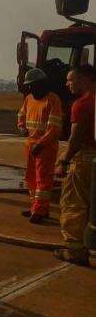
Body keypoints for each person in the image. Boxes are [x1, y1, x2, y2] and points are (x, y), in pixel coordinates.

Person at [54, 65, 96, 265]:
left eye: (71, 80)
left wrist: (64, 160)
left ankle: (75, 251)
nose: (67, 84)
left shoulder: (82, 104)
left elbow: (76, 137)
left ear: (84, 79)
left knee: (74, 204)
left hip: (85, 160)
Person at [17, 68, 63, 224]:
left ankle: (40, 211)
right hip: (30, 145)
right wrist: (22, 127)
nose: (30, 88)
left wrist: (41, 144)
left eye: (32, 85)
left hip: (46, 147)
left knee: (43, 180)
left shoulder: (53, 100)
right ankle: (35, 207)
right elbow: (21, 115)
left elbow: (54, 129)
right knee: (31, 178)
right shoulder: (29, 98)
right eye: (29, 86)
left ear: (42, 84)